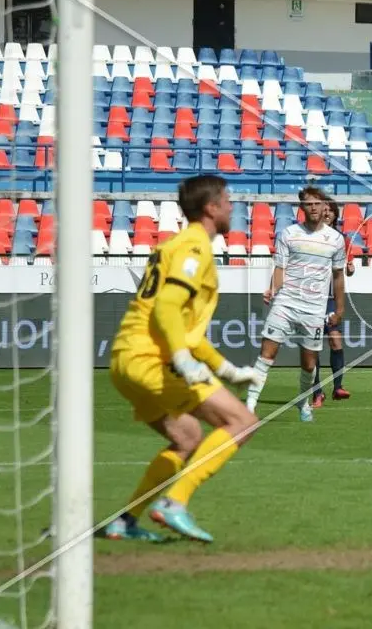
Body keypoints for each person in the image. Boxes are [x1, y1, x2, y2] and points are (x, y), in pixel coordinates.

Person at [103, 175, 259, 543]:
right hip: (152, 358)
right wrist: (182, 359)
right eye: (227, 200)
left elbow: (189, 332)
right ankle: (176, 502)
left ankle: (124, 521)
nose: (232, 207)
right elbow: (168, 307)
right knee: (242, 421)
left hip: (125, 361)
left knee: (187, 438)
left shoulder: (176, 244)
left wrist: (228, 370)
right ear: (211, 207)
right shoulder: (194, 246)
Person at [245, 187, 347, 422]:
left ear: (325, 207)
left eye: (317, 203)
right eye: (308, 204)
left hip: (314, 308)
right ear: (301, 208)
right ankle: (249, 406)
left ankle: (303, 402)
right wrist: (273, 288)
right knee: (266, 354)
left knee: (309, 363)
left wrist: (340, 309)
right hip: (286, 303)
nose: (313, 207)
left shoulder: (335, 240)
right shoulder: (288, 233)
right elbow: (280, 268)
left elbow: (338, 276)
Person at [306, 196, 356, 408]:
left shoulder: (341, 239)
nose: (326, 213)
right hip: (311, 298)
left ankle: (337, 387)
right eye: (323, 210)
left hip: (331, 300)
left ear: (335, 215)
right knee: (314, 347)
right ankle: (317, 392)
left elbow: (348, 265)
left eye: (330, 211)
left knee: (335, 341)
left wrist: (351, 268)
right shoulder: (308, 238)